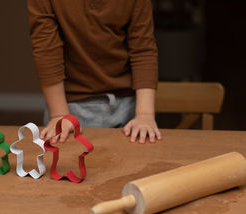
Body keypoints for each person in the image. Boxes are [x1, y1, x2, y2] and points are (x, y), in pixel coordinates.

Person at [27, 0, 162, 144]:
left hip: (127, 108)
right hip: (67, 106)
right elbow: (47, 51)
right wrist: (59, 114)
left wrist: (145, 114)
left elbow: (143, 50)